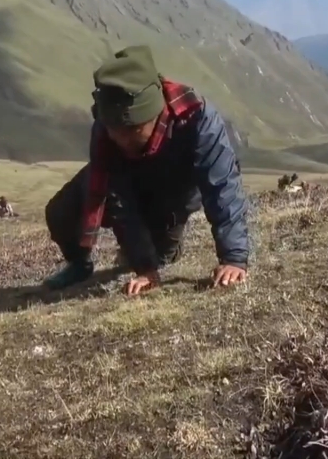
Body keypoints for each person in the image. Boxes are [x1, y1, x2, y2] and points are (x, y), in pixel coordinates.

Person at [43, 45, 250, 296]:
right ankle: (79, 264)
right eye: (114, 132)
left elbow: (222, 186)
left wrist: (233, 258)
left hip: (174, 192)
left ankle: (166, 246)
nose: (122, 140)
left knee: (162, 254)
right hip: (130, 179)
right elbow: (119, 199)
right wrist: (144, 267)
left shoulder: (198, 118)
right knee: (60, 212)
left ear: (155, 114)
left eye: (132, 132)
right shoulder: (108, 124)